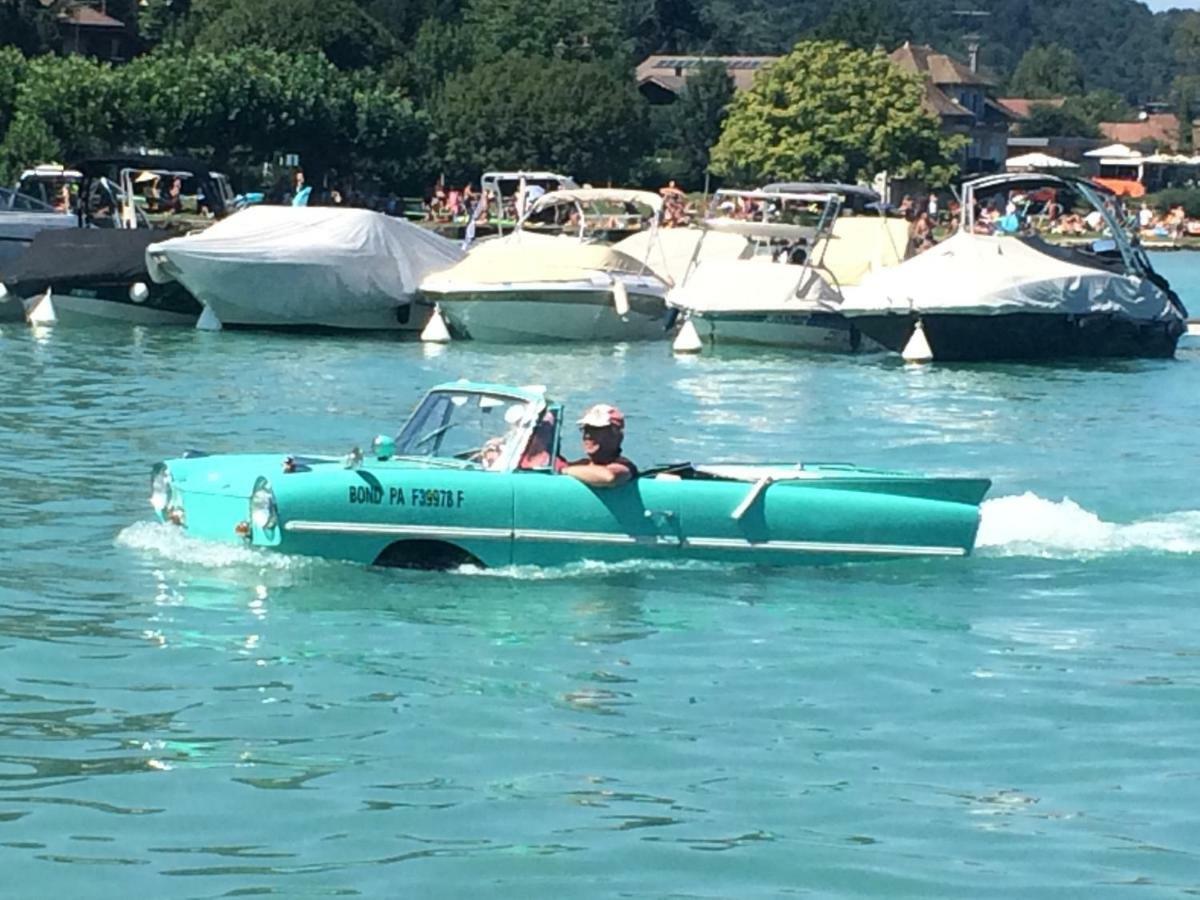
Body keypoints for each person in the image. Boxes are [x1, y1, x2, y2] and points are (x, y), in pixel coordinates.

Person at [563, 404, 636, 488]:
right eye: (586, 430)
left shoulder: (625, 466)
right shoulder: (582, 464)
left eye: (595, 430)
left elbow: (609, 477)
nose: (587, 436)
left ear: (615, 436)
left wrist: (564, 470)